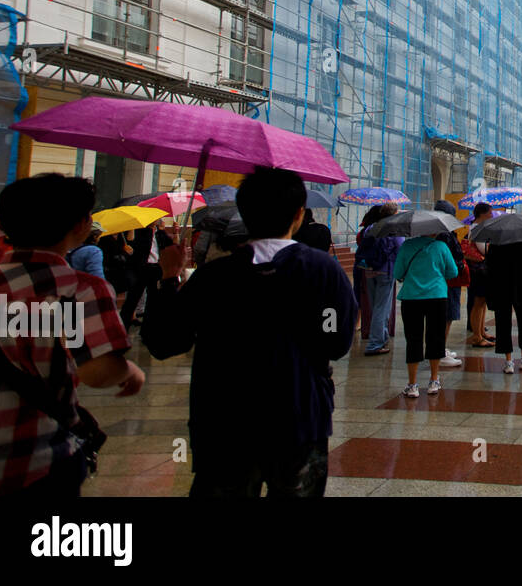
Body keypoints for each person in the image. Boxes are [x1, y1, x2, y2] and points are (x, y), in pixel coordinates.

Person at [142, 166, 357, 496]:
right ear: (299, 215)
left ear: (243, 212)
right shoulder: (324, 272)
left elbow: (164, 341)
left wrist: (169, 278)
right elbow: (336, 342)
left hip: (223, 424)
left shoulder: (214, 278)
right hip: (300, 418)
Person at [0, 174, 145, 496]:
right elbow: (97, 371)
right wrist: (130, 371)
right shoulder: (76, 289)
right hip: (36, 458)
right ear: (81, 224)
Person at [393, 229, 459, 398]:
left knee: (413, 339)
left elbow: (397, 273)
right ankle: (434, 380)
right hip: (437, 296)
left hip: (411, 297)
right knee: (435, 337)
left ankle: (412, 384)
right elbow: (453, 272)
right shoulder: (441, 247)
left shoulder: (407, 246)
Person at [355, 203, 403, 356]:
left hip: (369, 270)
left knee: (376, 305)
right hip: (386, 271)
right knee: (381, 308)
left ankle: (382, 338)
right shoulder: (393, 229)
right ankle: (375, 343)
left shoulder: (371, 227)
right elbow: (400, 248)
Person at [486, 240, 522, 373]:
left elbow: (489, 265)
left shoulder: (495, 244)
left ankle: (508, 362)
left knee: (503, 322)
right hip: (520, 286)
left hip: (501, 287)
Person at [433, 200, 466, 369]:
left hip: (441, 280)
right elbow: (451, 258)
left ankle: (440, 348)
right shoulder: (445, 234)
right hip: (448, 280)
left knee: (443, 316)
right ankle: (439, 351)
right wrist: (460, 265)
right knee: (446, 316)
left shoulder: (436, 232)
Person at [465, 202, 495, 347]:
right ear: (482, 214)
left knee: (482, 302)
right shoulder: (477, 229)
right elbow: (484, 250)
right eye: (490, 212)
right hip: (478, 270)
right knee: (478, 303)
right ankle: (477, 336)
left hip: (480, 269)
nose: (492, 215)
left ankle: (481, 331)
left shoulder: (479, 228)